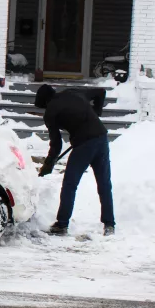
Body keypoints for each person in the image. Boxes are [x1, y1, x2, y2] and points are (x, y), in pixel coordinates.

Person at [35, 85, 114, 236]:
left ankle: (62, 225)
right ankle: (109, 224)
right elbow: (101, 92)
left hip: (84, 145)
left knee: (70, 185)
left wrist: (48, 164)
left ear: (45, 101)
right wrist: (96, 113)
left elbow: (56, 144)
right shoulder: (74, 92)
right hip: (102, 139)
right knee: (104, 184)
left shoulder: (51, 112)